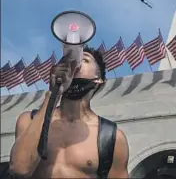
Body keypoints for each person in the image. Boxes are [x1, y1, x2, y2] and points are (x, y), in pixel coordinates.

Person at [8, 46, 129, 178]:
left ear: (98, 80)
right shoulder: (29, 120)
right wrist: (53, 94)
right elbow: (20, 168)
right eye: (70, 59)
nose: (74, 63)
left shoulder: (112, 137)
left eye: (83, 59)